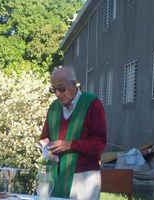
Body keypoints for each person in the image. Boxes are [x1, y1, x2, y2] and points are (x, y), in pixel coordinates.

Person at [39, 67, 107, 200]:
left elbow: (100, 144)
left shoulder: (92, 104)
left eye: (61, 89)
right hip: (56, 176)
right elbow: (45, 136)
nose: (58, 94)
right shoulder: (54, 107)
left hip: (83, 179)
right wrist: (44, 144)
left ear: (74, 83)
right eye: (54, 90)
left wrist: (70, 145)